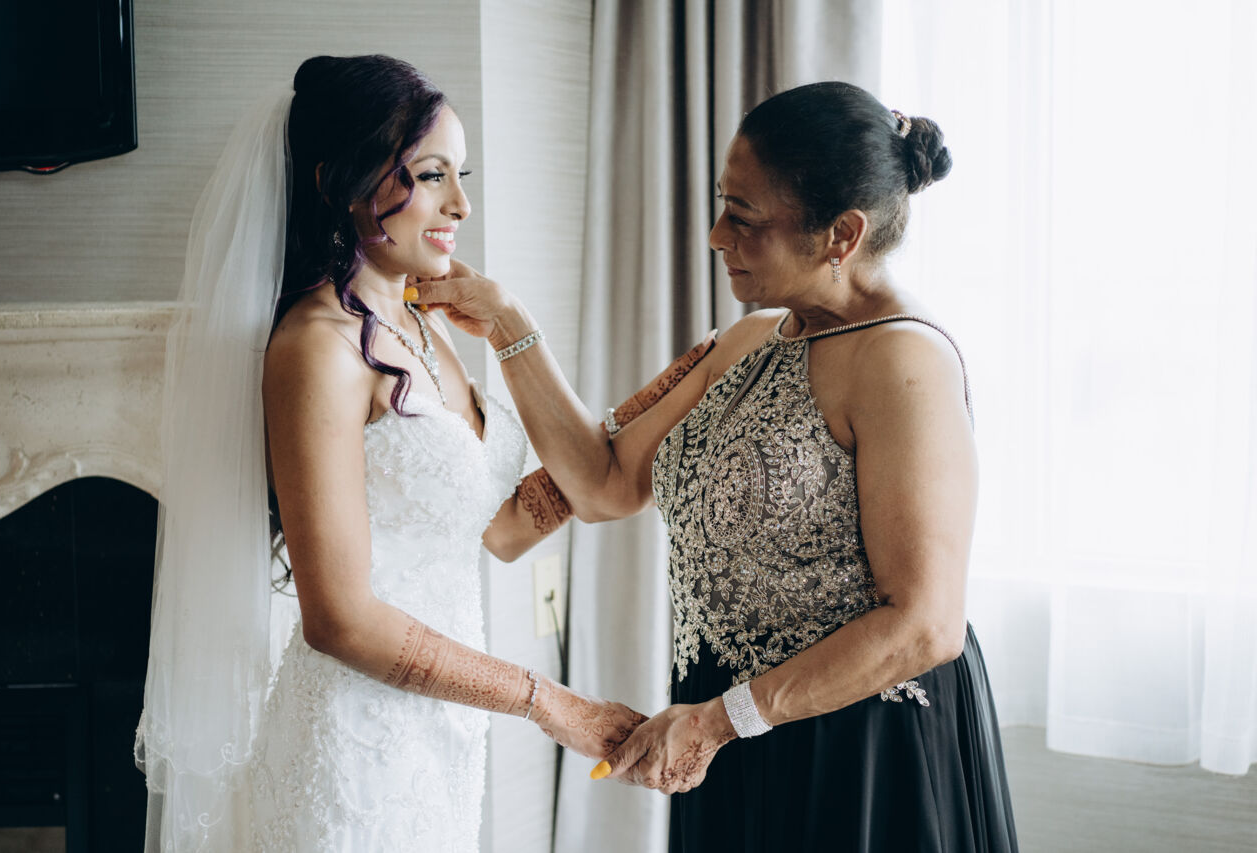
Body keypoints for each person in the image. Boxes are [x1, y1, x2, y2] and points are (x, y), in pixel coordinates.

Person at [413, 81, 1019, 852]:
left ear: (841, 234)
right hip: (725, 730)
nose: (715, 235)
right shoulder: (748, 341)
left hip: (856, 749)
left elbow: (925, 624)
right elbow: (603, 482)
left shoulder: (906, 360)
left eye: (745, 218)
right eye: (722, 204)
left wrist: (719, 721)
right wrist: (507, 324)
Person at [135, 55, 668, 852]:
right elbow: (339, 618)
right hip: (351, 749)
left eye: (461, 174)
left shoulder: (422, 326)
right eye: (431, 175)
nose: (461, 204)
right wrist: (549, 701)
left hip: (440, 739)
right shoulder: (317, 348)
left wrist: (651, 412)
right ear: (341, 183)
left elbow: (502, 528)